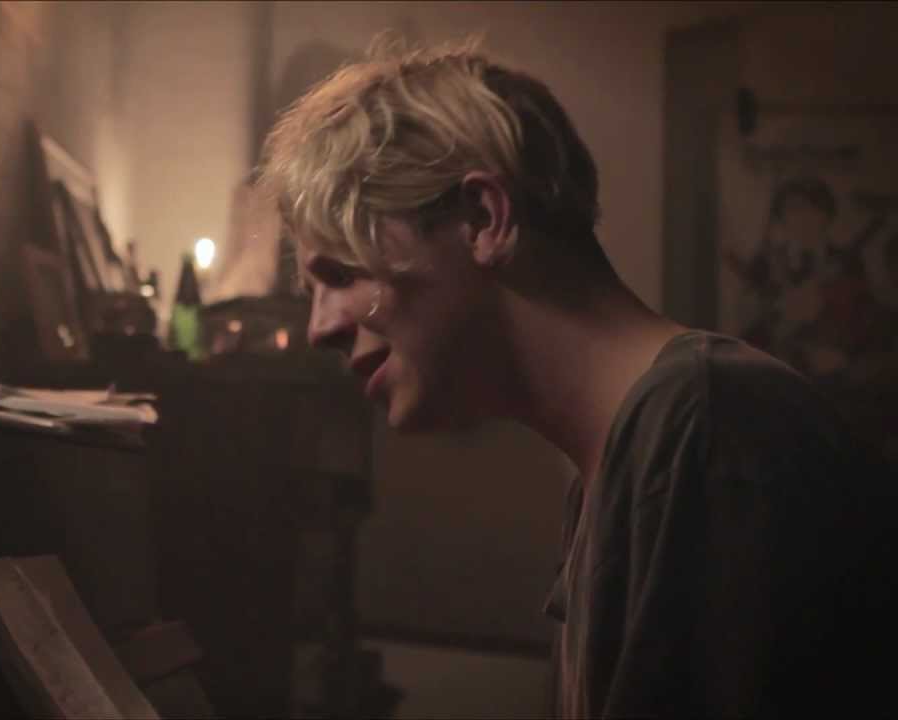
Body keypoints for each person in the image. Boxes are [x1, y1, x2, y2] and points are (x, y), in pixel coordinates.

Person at [257, 36, 896, 718]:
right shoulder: (625, 460)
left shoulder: (706, 425)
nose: (319, 328)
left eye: (341, 273)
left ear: (483, 219)